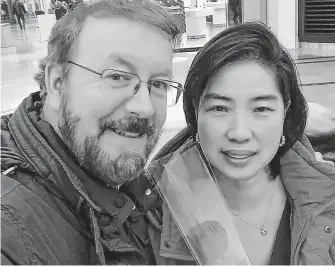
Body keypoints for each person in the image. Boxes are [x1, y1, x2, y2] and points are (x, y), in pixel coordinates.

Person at [1, 0, 183, 264]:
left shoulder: (126, 185)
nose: (144, 108)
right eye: (117, 77)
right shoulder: (10, 231)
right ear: (57, 83)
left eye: (158, 84)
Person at [146, 22, 335, 265]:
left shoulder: (325, 200)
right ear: (195, 112)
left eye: (261, 108)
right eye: (219, 108)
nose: (239, 132)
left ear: (285, 113)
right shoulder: (152, 212)